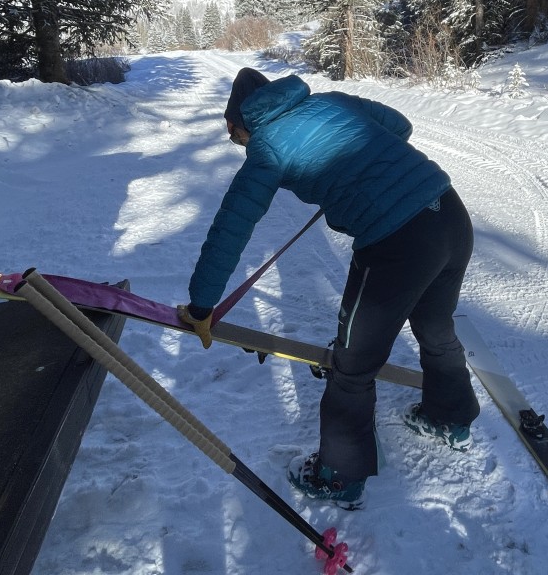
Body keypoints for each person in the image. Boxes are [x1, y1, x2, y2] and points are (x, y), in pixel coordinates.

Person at [177, 68, 479, 510]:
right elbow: (400, 126)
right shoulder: (334, 101)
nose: (236, 143)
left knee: (352, 365)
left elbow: (231, 229)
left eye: (232, 136)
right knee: (435, 326)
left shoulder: (267, 148)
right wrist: (356, 175)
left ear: (238, 122)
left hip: (398, 242)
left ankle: (340, 476)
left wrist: (203, 305)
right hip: (450, 213)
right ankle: (450, 418)